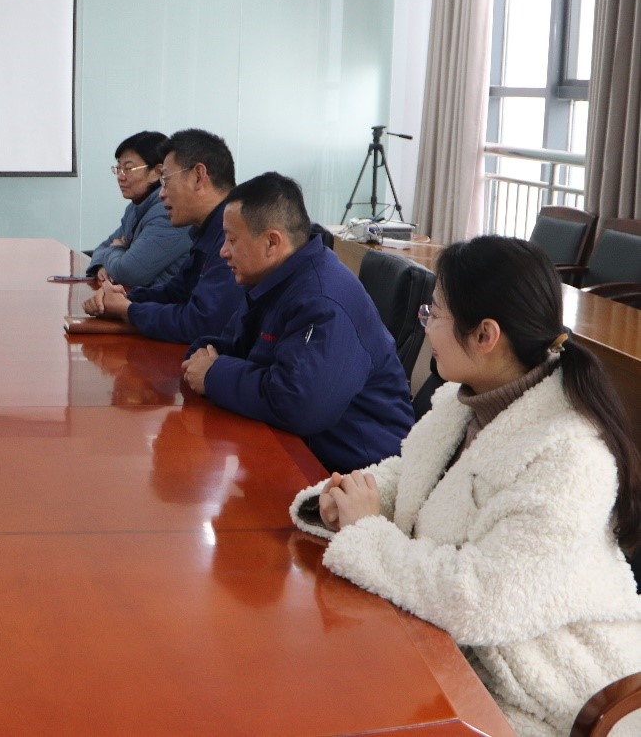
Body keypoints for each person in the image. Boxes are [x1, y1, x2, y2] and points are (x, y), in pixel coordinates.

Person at [289, 236, 641, 737]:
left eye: (434, 312)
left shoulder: (571, 456)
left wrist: (366, 531)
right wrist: (349, 496)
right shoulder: (465, 400)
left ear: (485, 335)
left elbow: (480, 599)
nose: (425, 324)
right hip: (454, 650)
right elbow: (414, 473)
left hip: (547, 696)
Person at [181, 171, 413, 472]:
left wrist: (213, 374)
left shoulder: (322, 300)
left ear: (272, 242)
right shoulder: (273, 281)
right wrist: (203, 357)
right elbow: (235, 345)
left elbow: (299, 405)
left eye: (232, 239)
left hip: (358, 472)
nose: (223, 251)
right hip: (303, 449)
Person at [82, 128, 241, 344]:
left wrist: (128, 310)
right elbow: (175, 293)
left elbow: (201, 323)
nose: (162, 193)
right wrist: (123, 299)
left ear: (198, 177)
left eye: (166, 180)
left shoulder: (235, 235)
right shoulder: (207, 230)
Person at [86, 130, 191, 288]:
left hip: (162, 301)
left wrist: (116, 249)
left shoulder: (168, 213)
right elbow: (102, 248)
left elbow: (128, 273)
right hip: (138, 297)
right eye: (118, 168)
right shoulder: (136, 207)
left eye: (128, 169)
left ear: (156, 172)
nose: (120, 176)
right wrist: (102, 265)